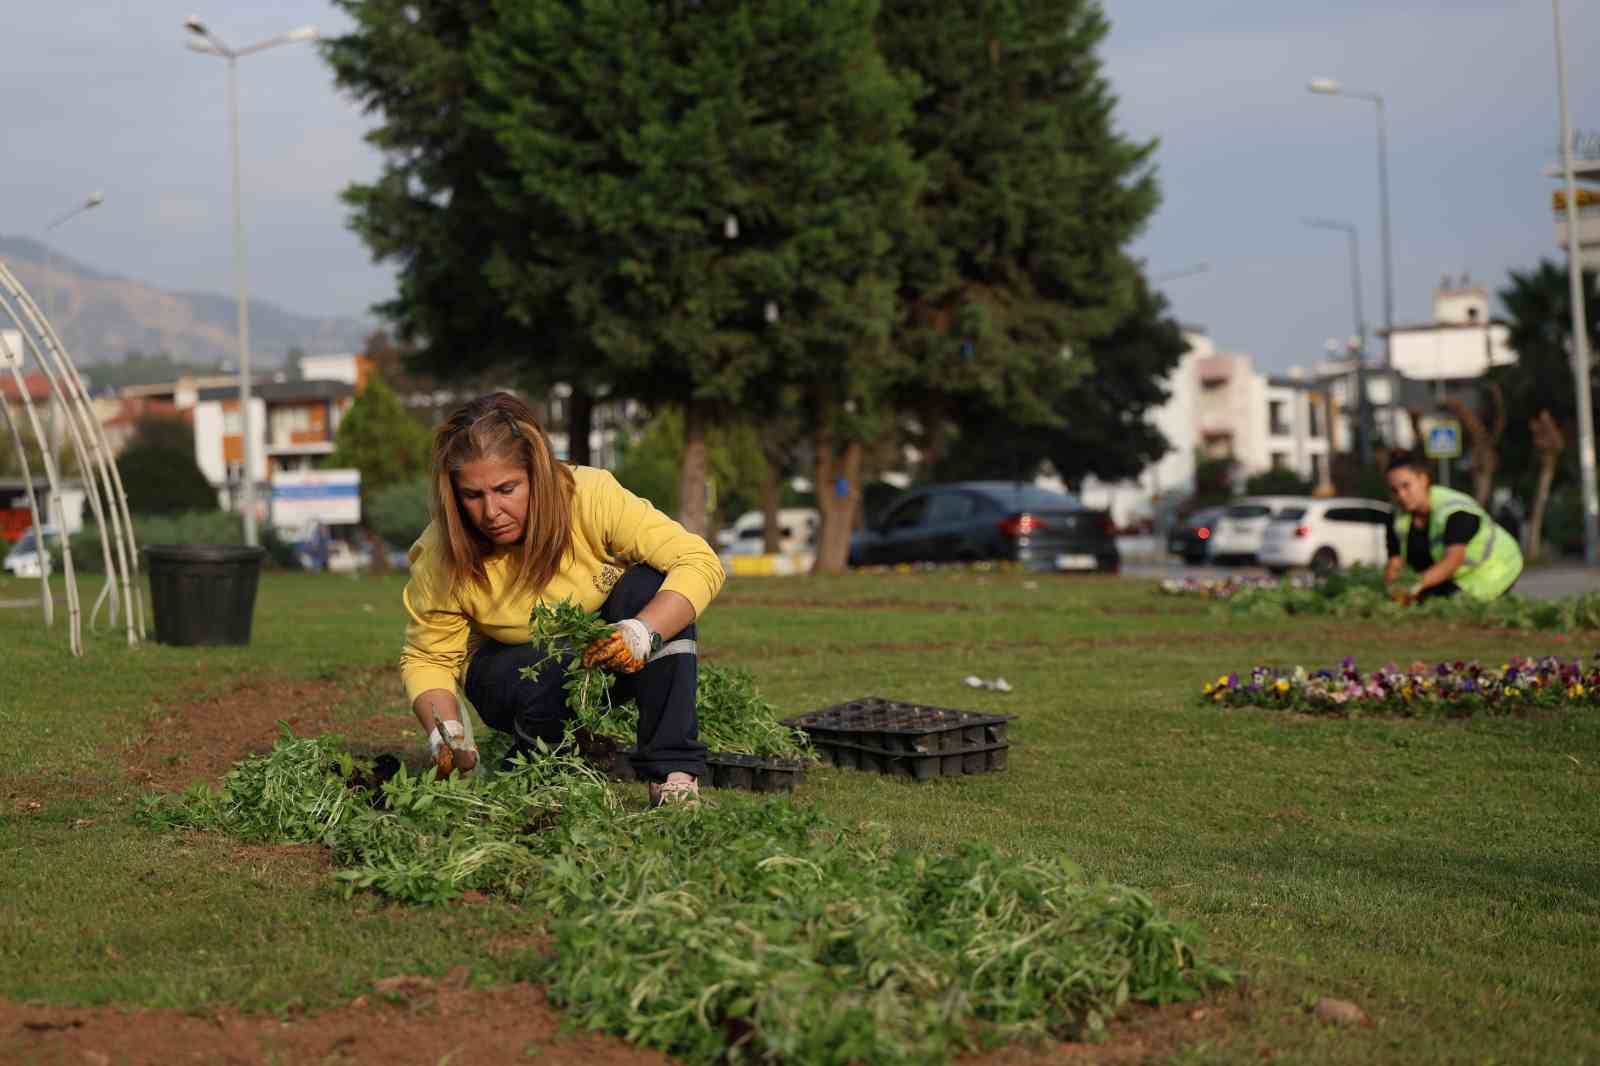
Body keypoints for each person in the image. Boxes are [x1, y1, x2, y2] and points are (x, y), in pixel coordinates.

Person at [398, 392, 725, 806]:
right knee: (553, 669)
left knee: (651, 585)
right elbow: (428, 659)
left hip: (607, 653)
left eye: (506, 489)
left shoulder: (591, 496)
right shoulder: (440, 552)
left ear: (537, 474)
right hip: (507, 672)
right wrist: (446, 732)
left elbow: (698, 560)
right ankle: (544, 762)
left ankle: (674, 775)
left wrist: (643, 633)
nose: (491, 511)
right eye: (473, 495)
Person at [1383, 451, 1522, 603]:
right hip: (1458, 573)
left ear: (1423, 479)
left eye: (1406, 486)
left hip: (1495, 567)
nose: (1401, 495)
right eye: (1394, 490)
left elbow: (1453, 560)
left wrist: (1412, 586)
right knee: (1423, 601)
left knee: (1448, 605)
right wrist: (1392, 590)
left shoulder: (1455, 511)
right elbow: (1394, 563)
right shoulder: (1398, 518)